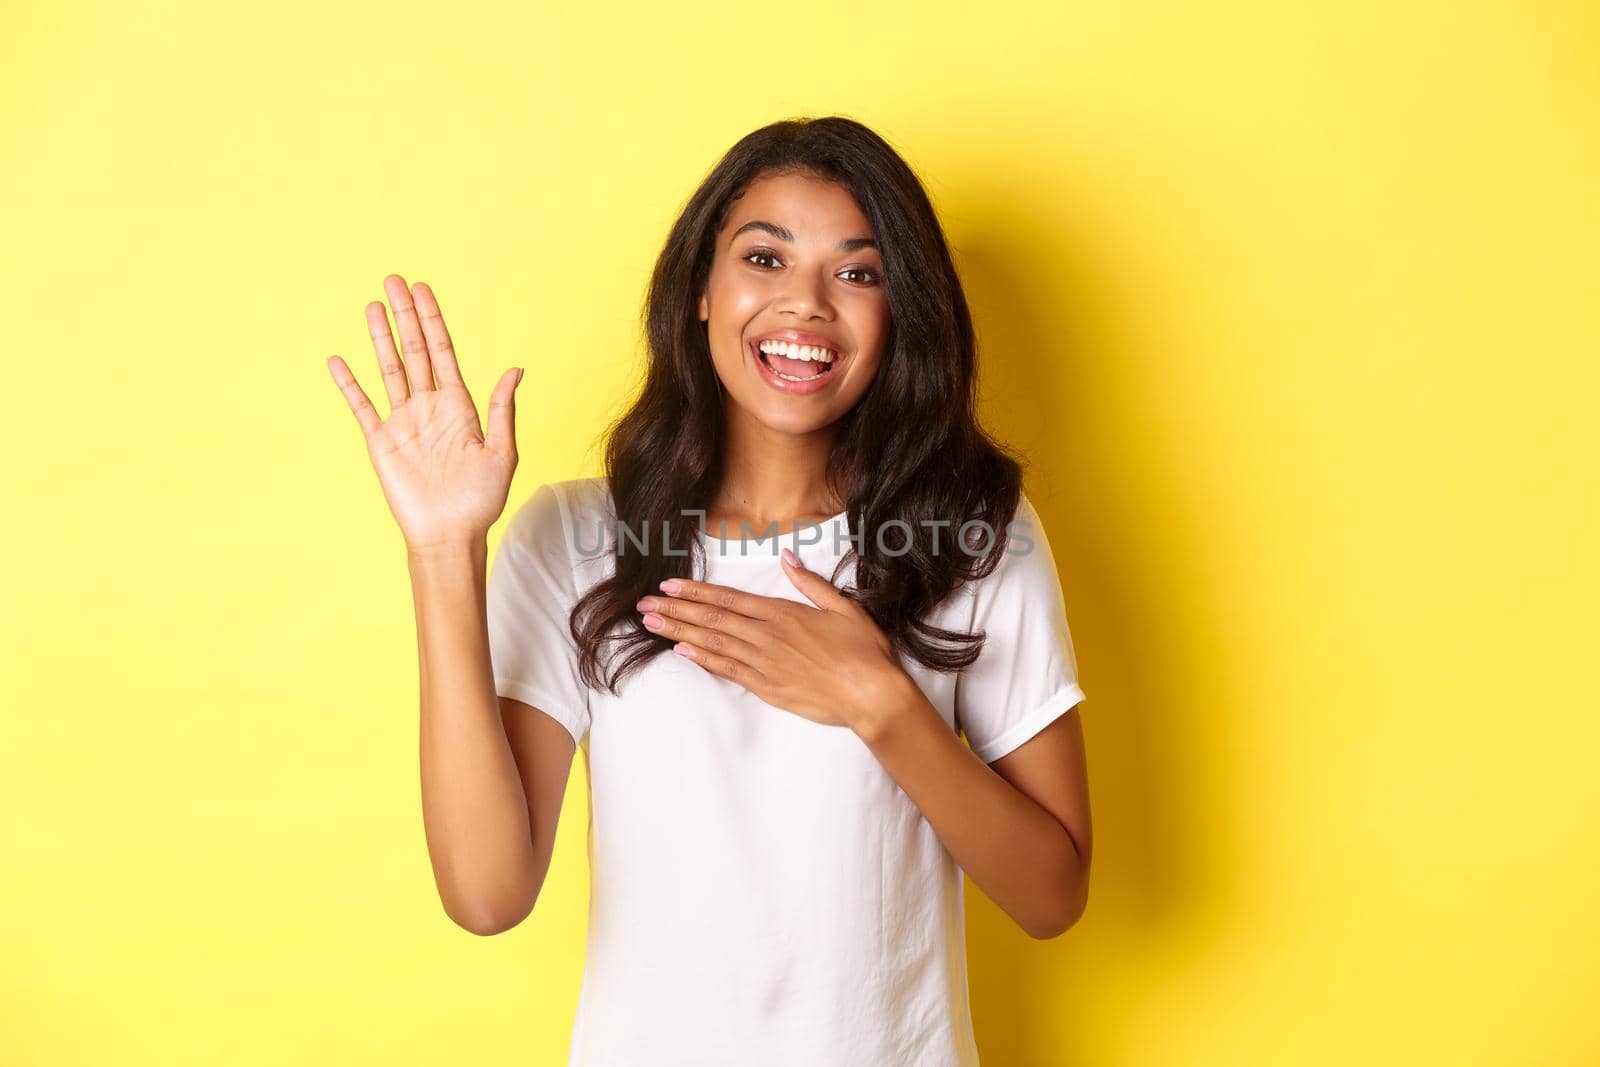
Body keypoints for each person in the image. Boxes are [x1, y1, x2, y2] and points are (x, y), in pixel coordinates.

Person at [325, 116, 1092, 1067]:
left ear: (903, 315)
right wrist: (443, 549)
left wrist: (880, 703)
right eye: (765, 258)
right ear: (700, 289)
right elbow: (488, 894)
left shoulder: (970, 539)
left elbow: (1052, 894)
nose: (806, 306)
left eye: (857, 273)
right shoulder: (576, 540)